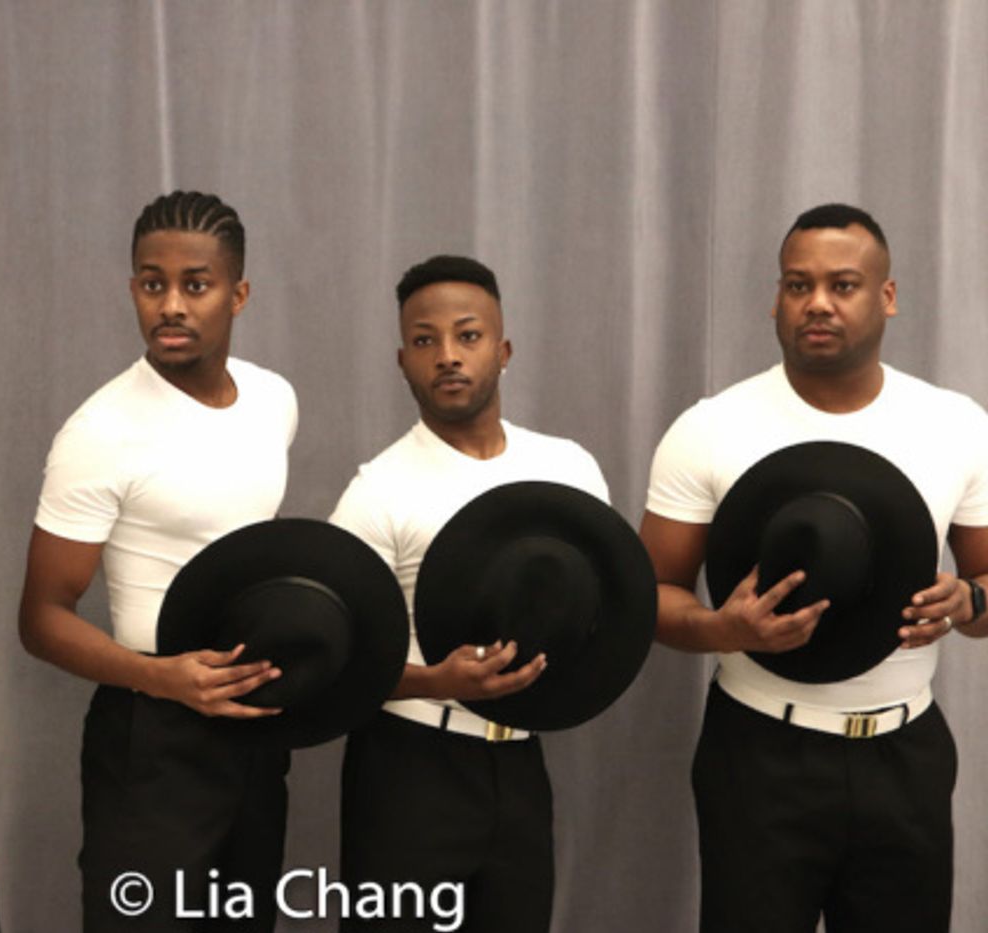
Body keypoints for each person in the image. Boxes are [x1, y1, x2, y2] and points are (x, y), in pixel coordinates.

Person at [640, 203, 988, 932]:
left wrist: (968, 603)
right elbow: (649, 599)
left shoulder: (956, 424)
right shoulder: (710, 429)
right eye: (798, 285)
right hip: (761, 755)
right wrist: (723, 628)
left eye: (843, 284)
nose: (818, 303)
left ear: (886, 297)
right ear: (777, 298)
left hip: (906, 756)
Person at [18, 190, 297, 932]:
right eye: (152, 283)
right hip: (151, 731)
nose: (170, 305)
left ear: (237, 294)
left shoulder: (274, 400)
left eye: (195, 285)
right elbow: (41, 618)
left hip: (255, 721)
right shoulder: (100, 431)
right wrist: (158, 677)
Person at [329, 255, 609, 932]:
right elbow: (334, 661)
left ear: (504, 348)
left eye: (468, 335)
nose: (448, 356)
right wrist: (434, 678)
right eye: (425, 341)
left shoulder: (566, 468)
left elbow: (604, 607)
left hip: (518, 761)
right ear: (402, 361)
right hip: (409, 768)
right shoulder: (378, 488)